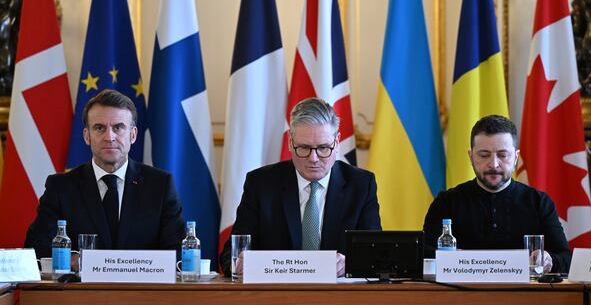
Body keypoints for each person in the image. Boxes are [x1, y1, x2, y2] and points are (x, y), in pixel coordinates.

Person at [219, 98, 381, 277]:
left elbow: (376, 256)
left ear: (337, 142)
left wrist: (350, 264)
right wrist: (239, 264)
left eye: (323, 148)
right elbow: (229, 257)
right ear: (290, 142)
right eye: (304, 148)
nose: (313, 158)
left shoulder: (360, 185)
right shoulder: (261, 184)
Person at [25, 89, 186, 258]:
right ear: (87, 136)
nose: (109, 137)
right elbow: (36, 248)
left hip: (141, 284)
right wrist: (74, 261)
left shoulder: (160, 185)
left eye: (118, 128)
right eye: (99, 128)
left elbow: (178, 252)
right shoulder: (61, 187)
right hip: (80, 284)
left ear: (133, 135)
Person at [423, 115, 571, 273]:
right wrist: (451, 259)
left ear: (515, 158)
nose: (493, 164)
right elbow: (422, 254)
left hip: (525, 295)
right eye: (484, 155)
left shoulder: (538, 202)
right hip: (461, 295)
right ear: (471, 157)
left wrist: (549, 260)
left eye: (502, 155)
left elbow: (565, 258)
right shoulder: (446, 202)